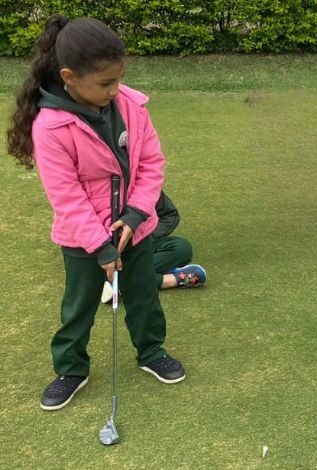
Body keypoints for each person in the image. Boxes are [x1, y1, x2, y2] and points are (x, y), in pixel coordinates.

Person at [6, 15, 187, 411]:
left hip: (134, 230)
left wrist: (137, 214)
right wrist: (101, 247)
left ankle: (151, 352)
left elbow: (151, 163)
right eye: (105, 83)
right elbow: (66, 197)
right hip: (82, 240)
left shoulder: (131, 106)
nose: (115, 90)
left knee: (143, 298)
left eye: (118, 79)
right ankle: (71, 368)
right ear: (69, 76)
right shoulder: (50, 127)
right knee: (79, 307)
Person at [100, 191, 207, 303]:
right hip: (100, 252)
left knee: (182, 248)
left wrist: (141, 239)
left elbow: (169, 215)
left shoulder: (145, 185)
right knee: (89, 270)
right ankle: (169, 281)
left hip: (137, 244)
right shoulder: (90, 185)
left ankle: (116, 282)